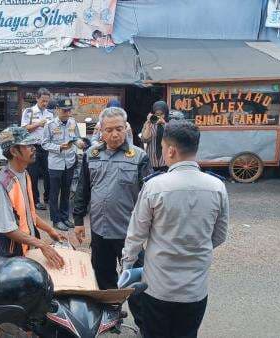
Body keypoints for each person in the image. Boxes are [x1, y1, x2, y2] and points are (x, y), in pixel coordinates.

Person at [122, 120, 229, 338]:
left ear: (170, 150)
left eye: (161, 148)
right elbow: (219, 235)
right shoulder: (217, 187)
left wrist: (127, 265)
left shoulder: (155, 186)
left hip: (158, 287)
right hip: (195, 289)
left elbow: (136, 235)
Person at [73, 107, 151, 289]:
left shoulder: (139, 157)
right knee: (103, 278)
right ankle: (110, 315)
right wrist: (78, 220)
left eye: (119, 129)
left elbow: (149, 197)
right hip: (100, 231)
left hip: (129, 233)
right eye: (109, 130)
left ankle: (141, 317)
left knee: (136, 282)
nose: (115, 134)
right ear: (101, 130)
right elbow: (82, 190)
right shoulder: (91, 155)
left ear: (126, 129)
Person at [0, 126, 65, 269]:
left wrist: (50, 230)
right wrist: (41, 244)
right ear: (14, 151)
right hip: (13, 257)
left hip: (27, 250)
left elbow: (28, 214)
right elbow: (7, 229)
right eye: (28, 146)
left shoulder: (24, 174)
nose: (33, 149)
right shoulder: (2, 185)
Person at [42, 97, 85, 231]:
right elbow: (44, 143)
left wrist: (79, 142)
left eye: (69, 110)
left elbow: (77, 137)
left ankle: (65, 217)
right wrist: (59, 147)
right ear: (57, 110)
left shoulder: (72, 122)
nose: (67, 113)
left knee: (66, 191)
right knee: (54, 193)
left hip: (70, 162)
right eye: (64, 110)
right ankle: (56, 220)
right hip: (56, 164)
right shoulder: (50, 125)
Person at [20, 88, 54, 211]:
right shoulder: (29, 112)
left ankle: (48, 198)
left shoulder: (50, 113)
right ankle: (35, 200)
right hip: (32, 147)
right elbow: (23, 129)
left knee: (48, 174)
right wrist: (38, 124)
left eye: (47, 101)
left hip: (46, 147)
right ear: (37, 98)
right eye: (43, 101)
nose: (45, 103)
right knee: (33, 175)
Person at [140, 100, 170, 172]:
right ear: (153, 113)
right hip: (151, 162)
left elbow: (174, 137)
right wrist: (148, 124)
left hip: (166, 162)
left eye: (162, 114)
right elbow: (144, 139)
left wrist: (164, 124)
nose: (159, 116)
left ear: (166, 114)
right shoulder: (149, 124)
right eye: (157, 114)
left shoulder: (170, 124)